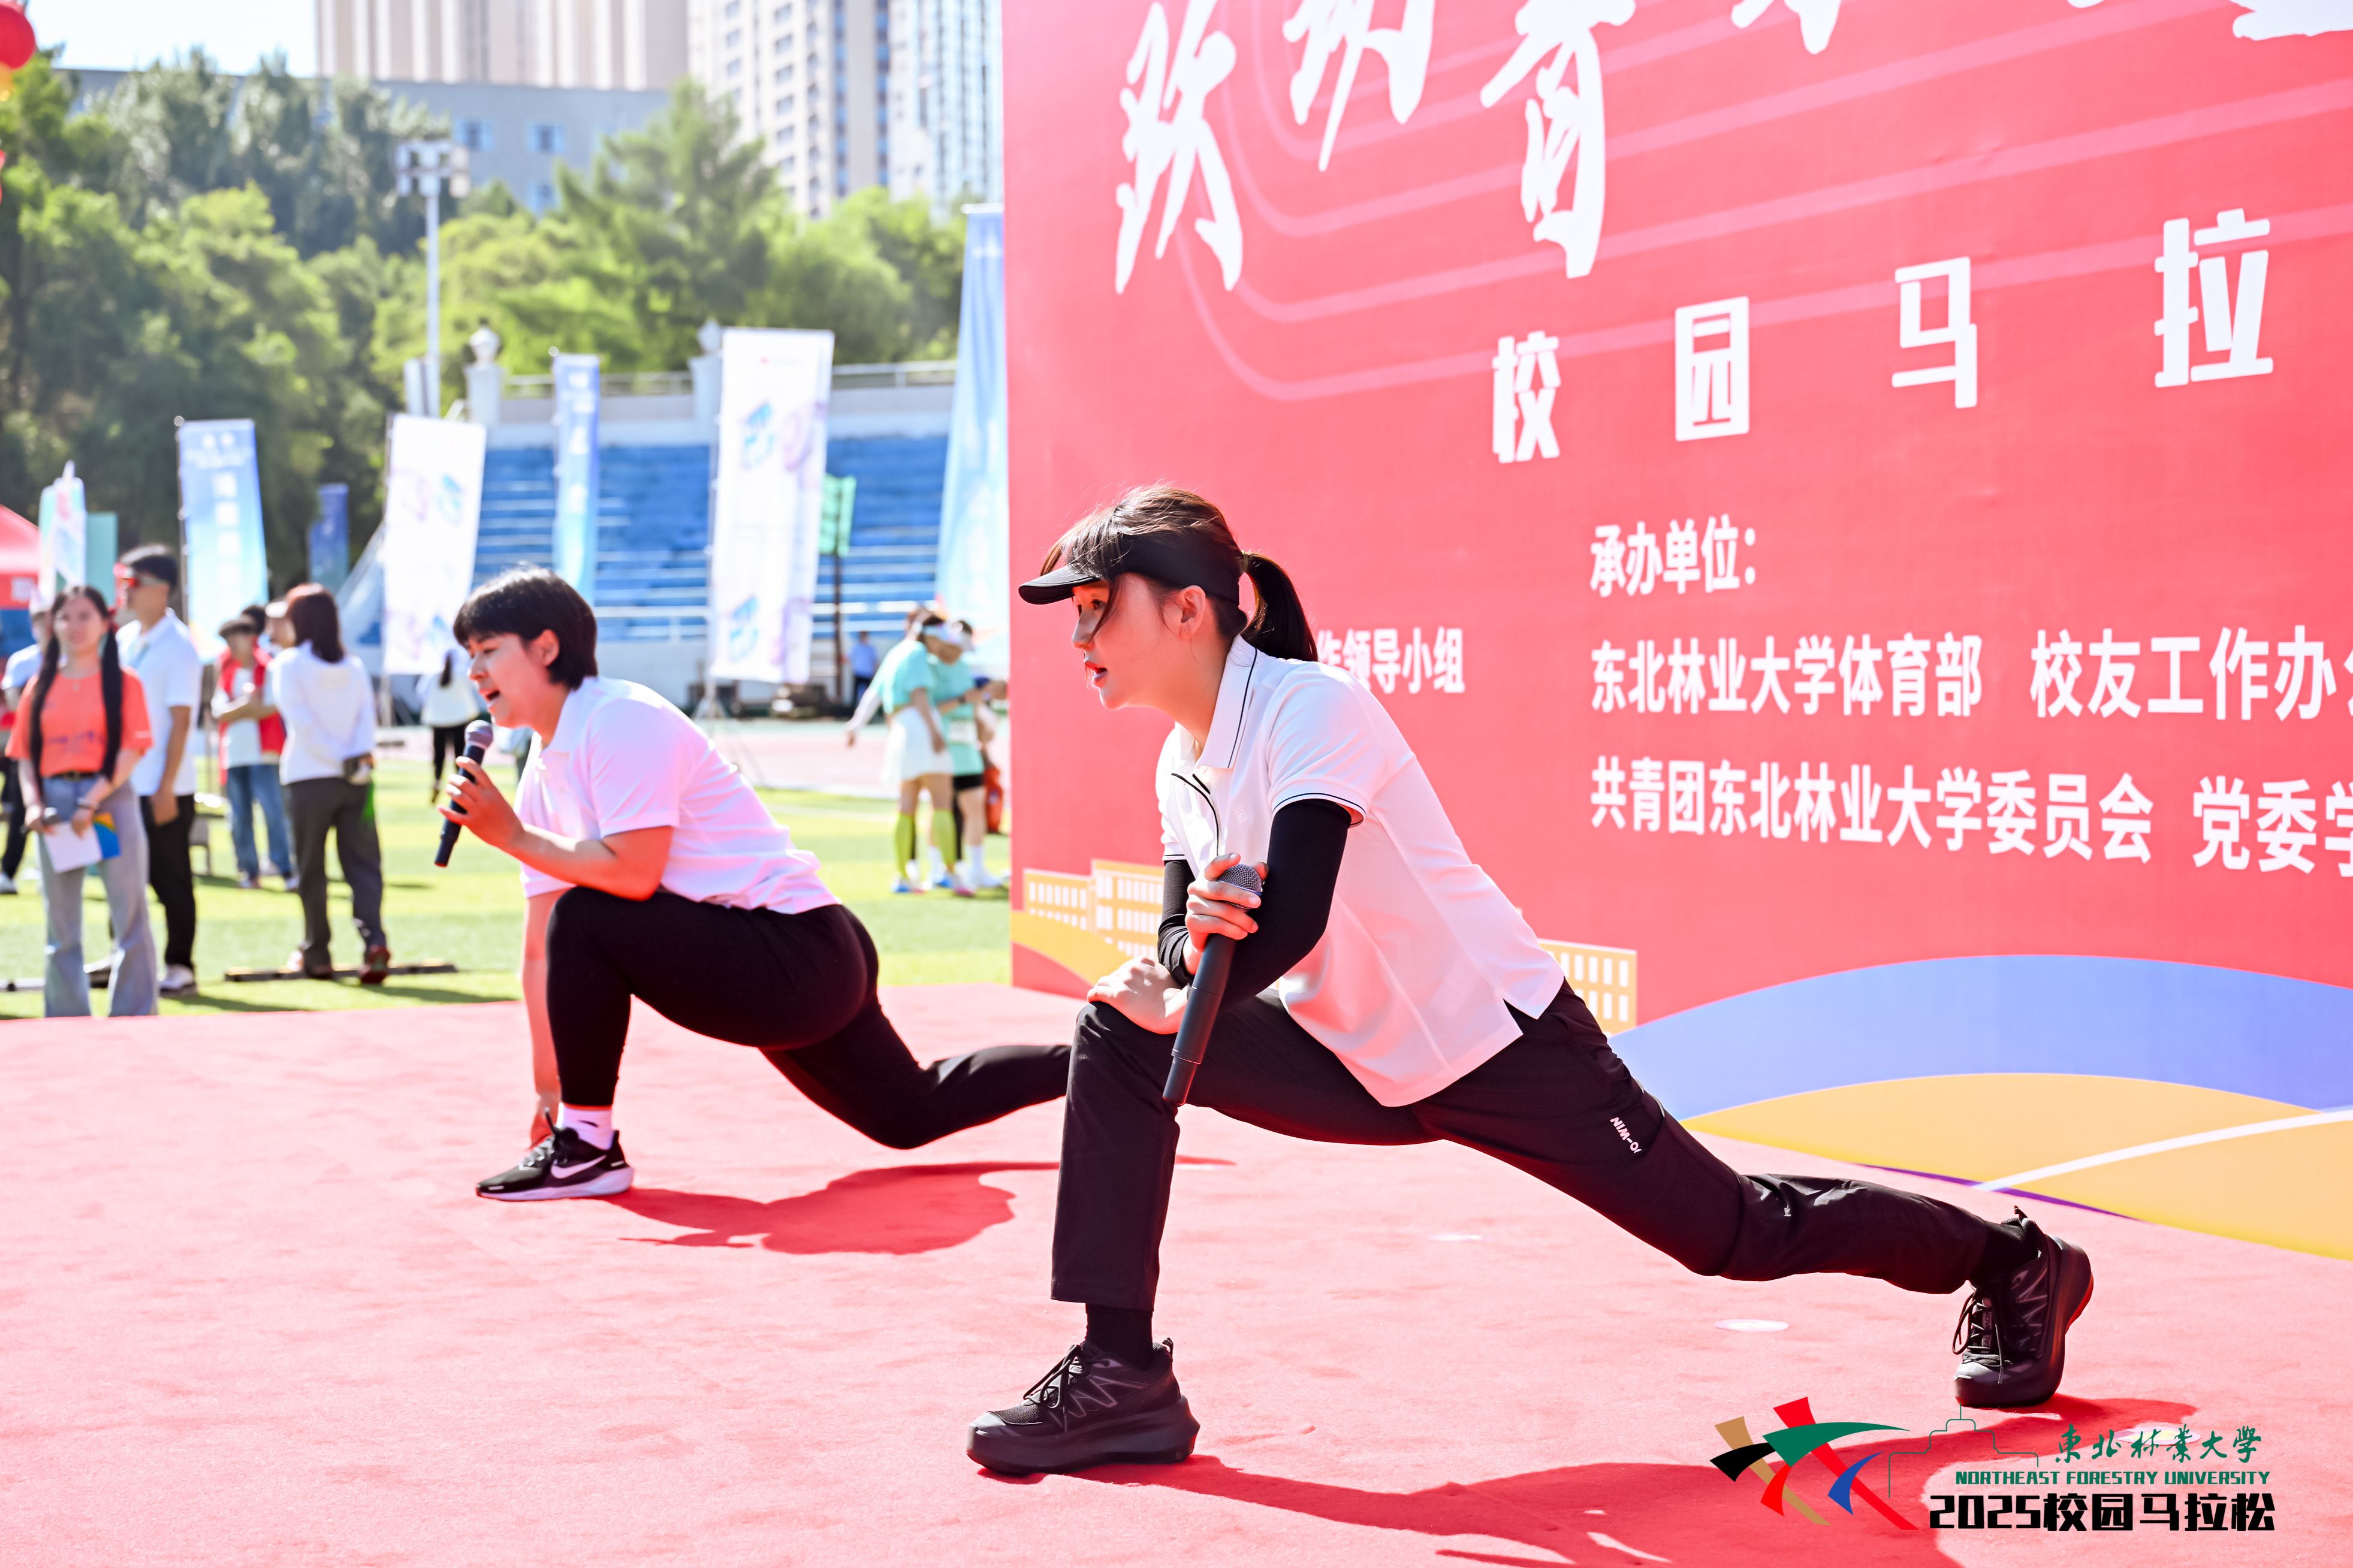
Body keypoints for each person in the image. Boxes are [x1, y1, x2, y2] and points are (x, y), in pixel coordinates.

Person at [964, 487, 2093, 1476]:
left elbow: (1292, 918)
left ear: (1187, 610)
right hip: (1351, 1052)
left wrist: (1189, 983)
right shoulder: (1182, 759)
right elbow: (1181, 936)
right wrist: (1180, 957)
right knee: (1114, 1034)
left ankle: (2015, 1260)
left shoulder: (1315, 708)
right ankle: (1121, 1375)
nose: (1079, 637)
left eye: (1096, 607)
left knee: (1737, 1235)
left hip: (1501, 1046)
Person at [442, 569, 1070, 1200]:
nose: (474, 671)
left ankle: (590, 1148)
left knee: (588, 913)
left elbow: (632, 874)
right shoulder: (542, 771)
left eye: (487, 650)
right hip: (790, 954)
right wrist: (550, 1095)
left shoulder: (619, 719)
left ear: (546, 647)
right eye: (470, 654)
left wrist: (513, 835)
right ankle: (1103, 1060)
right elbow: (541, 952)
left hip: (797, 951)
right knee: (908, 1114)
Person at [8, 585, 158, 1016]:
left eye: (84, 616)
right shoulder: (40, 684)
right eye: (64, 617)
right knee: (61, 923)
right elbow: (25, 755)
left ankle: (134, 1014)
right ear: (51, 625)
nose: (74, 626)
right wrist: (34, 805)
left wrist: (92, 801)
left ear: (105, 623)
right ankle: (66, 1017)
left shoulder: (124, 682)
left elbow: (131, 749)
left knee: (129, 913)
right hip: (56, 808)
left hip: (107, 804)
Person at [271, 585, 391, 983]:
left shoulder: (288, 664)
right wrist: (354, 759)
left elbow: (302, 726)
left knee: (311, 868)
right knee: (364, 866)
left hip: (308, 779)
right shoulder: (353, 666)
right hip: (356, 780)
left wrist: (338, 758)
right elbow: (367, 720)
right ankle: (375, 941)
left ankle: (317, 951)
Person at [115, 545, 202, 996]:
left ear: (162, 589)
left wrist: (166, 786)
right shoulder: (124, 639)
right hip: (121, 784)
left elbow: (182, 721)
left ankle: (180, 963)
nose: (126, 592)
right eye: (124, 582)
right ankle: (124, 957)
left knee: (171, 880)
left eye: (135, 583)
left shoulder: (179, 646)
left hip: (163, 787)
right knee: (121, 877)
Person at [852, 612, 965, 896]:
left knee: (906, 805)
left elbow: (874, 694)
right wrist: (935, 733)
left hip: (900, 731)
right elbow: (920, 695)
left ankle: (903, 877)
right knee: (942, 802)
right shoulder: (917, 653)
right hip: (921, 727)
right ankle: (949, 873)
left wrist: (855, 726)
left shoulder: (896, 652)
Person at [211, 616, 294, 890]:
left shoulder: (268, 668)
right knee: (239, 817)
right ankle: (249, 871)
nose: (232, 646)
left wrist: (239, 710)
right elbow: (219, 712)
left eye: (236, 639)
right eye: (228, 641)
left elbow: (271, 706)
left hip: (264, 753)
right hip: (234, 755)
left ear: (250, 639)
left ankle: (284, 867)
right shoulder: (227, 672)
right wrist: (247, 705)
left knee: (273, 812)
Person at [937, 621, 1004, 892]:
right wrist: (965, 700)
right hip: (941, 753)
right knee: (941, 810)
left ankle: (976, 869)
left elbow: (976, 709)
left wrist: (983, 718)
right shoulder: (933, 668)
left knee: (975, 809)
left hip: (967, 753)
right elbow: (934, 708)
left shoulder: (966, 670)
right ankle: (941, 868)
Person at [0, 604, 52, 893]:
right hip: (28, 749)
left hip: (62, 752)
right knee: (21, 812)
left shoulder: (72, 660)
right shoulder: (22, 661)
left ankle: (54, 874)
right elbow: (14, 702)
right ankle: (8, 872)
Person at [420, 645, 485, 799]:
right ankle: (461, 784)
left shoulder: (432, 676)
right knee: (460, 755)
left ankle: (437, 780)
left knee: (439, 755)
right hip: (458, 721)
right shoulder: (461, 676)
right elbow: (472, 692)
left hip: (438, 721)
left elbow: (421, 694)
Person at [848, 629, 879, 711]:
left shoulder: (871, 648)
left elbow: (875, 661)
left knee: (869, 695)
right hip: (858, 673)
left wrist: (875, 673)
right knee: (855, 695)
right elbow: (850, 658)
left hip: (868, 674)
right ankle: (852, 711)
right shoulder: (856, 647)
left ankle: (869, 711)